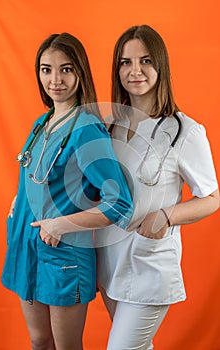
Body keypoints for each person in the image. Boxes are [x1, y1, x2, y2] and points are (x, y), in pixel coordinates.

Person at [1, 32, 133, 350]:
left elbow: (120, 203)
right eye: (46, 69)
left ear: (80, 73)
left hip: (63, 255)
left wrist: (61, 224)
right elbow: (42, 176)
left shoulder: (87, 130)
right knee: (38, 340)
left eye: (66, 69)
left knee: (66, 347)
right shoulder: (42, 123)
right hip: (27, 246)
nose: (55, 79)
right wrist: (21, 197)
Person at [96, 24, 219, 349]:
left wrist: (165, 215)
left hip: (148, 262)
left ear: (160, 66)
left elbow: (211, 198)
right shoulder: (112, 126)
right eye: (125, 62)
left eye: (145, 61)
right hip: (109, 261)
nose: (134, 71)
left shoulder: (185, 131)